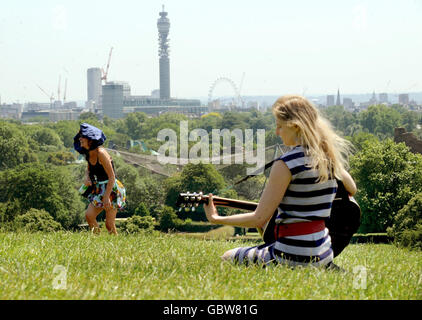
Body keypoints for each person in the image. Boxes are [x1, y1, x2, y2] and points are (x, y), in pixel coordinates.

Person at [204, 95, 357, 268]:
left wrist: (216, 218)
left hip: (291, 254)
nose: (277, 132)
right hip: (323, 253)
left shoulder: (285, 163)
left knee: (227, 256)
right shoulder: (328, 158)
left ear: (295, 127)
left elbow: (258, 218)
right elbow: (352, 188)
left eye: (279, 126)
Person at [74, 123, 126, 235]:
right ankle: (97, 240)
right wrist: (87, 178)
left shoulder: (101, 153)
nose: (80, 139)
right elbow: (89, 168)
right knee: (89, 216)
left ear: (90, 140)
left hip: (111, 189)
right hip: (99, 188)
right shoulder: (88, 153)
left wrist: (106, 197)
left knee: (109, 224)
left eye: (83, 137)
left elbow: (112, 177)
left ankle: (116, 245)